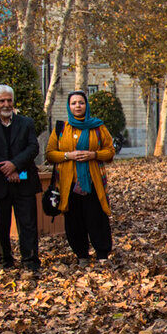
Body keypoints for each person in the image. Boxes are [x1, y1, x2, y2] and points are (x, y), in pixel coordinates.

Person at [0, 84, 41, 272]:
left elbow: (33, 148)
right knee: (0, 225)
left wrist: (15, 165)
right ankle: (4, 261)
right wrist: (6, 168)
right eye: (2, 101)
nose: (6, 104)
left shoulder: (26, 123)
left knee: (28, 224)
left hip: (23, 178)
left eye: (9, 100)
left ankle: (30, 261)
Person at [46, 90, 115, 261]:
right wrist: (68, 155)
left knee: (97, 218)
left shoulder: (98, 127)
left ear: (86, 105)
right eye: (73, 103)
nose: (78, 106)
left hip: (93, 182)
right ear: (69, 106)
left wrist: (94, 155)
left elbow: (110, 151)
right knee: (74, 221)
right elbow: (50, 154)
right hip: (68, 184)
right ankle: (82, 255)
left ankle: (102, 254)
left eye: (81, 102)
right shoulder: (61, 128)